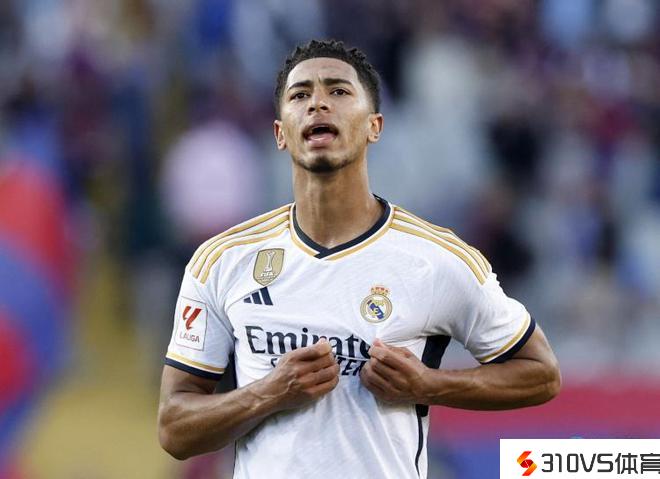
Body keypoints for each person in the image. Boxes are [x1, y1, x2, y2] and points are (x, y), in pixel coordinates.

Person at [158, 39, 561, 478]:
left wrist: (429, 385)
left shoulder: (437, 259)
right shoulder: (223, 261)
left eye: (338, 91)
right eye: (300, 95)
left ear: (374, 126)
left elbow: (540, 373)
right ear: (280, 133)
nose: (317, 104)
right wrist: (269, 392)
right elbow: (175, 428)